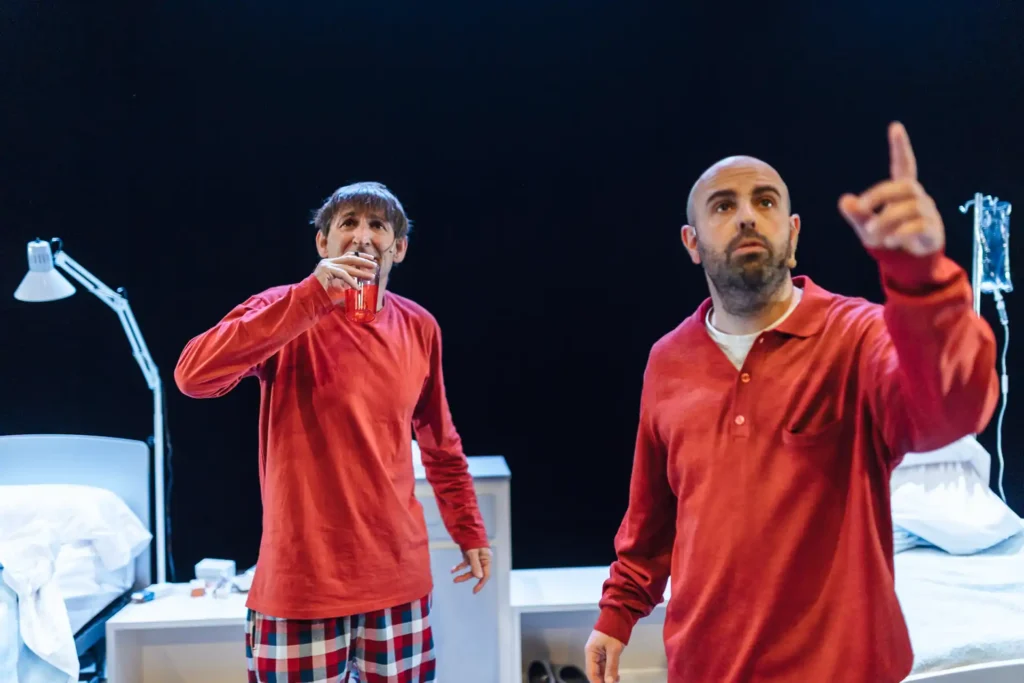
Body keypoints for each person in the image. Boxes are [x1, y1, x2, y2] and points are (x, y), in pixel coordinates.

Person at [584, 123, 1000, 683]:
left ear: (793, 231)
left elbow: (950, 411)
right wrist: (616, 614)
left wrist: (923, 281)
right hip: (705, 669)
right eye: (723, 206)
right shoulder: (668, 360)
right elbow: (652, 522)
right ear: (692, 242)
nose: (747, 216)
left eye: (765, 201)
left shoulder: (858, 336)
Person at [174, 181, 492, 683]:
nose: (362, 236)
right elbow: (193, 377)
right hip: (302, 586)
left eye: (377, 225)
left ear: (398, 248)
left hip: (397, 584)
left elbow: (440, 443)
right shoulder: (283, 308)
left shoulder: (420, 326)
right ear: (323, 243)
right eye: (348, 224)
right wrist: (310, 297)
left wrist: (469, 529)